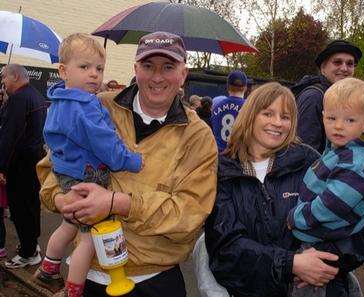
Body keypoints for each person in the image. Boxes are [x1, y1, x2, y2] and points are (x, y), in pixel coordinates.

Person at [37, 31, 218, 297]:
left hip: (155, 281)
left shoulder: (198, 136)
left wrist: (118, 203)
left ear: (183, 74)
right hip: (88, 273)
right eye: (148, 66)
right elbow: (53, 167)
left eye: (168, 67)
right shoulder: (95, 106)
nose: (157, 77)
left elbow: (189, 214)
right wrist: (64, 201)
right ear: (136, 69)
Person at [205, 82, 344, 297]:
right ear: (250, 115)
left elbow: (352, 222)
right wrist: (291, 264)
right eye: (268, 113)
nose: (277, 123)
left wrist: (322, 263)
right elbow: (225, 250)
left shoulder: (310, 162)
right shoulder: (223, 171)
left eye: (286, 117)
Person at [34, 33, 143, 297]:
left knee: (68, 225)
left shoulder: (59, 101)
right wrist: (133, 160)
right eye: (84, 67)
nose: (94, 74)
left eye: (99, 68)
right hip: (89, 178)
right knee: (90, 239)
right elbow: (106, 145)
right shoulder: (86, 107)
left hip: (67, 175)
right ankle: (74, 289)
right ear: (63, 70)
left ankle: (48, 267)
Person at [288, 78, 364, 297]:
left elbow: (328, 207)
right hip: (323, 239)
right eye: (332, 118)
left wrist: (295, 218)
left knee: (311, 288)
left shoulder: (353, 163)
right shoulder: (337, 150)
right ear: (322, 118)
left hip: (323, 241)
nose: (338, 125)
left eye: (349, 120)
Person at [0, 64, 46, 268]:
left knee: (21, 209)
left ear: (16, 76)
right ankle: (31, 246)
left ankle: (28, 252)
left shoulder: (19, 99)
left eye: (4, 77)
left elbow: (10, 136)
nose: (2, 82)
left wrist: (1, 167)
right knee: (30, 206)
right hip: (32, 162)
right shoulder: (34, 95)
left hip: (21, 165)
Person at [291, 40, 362, 153]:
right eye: (337, 62)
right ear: (323, 68)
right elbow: (305, 153)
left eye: (350, 64)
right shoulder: (314, 97)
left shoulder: (341, 98)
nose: (344, 68)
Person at [211, 70, 247, 152]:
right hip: (238, 155)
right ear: (245, 88)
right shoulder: (249, 107)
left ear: (227, 86)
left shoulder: (216, 106)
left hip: (218, 155)